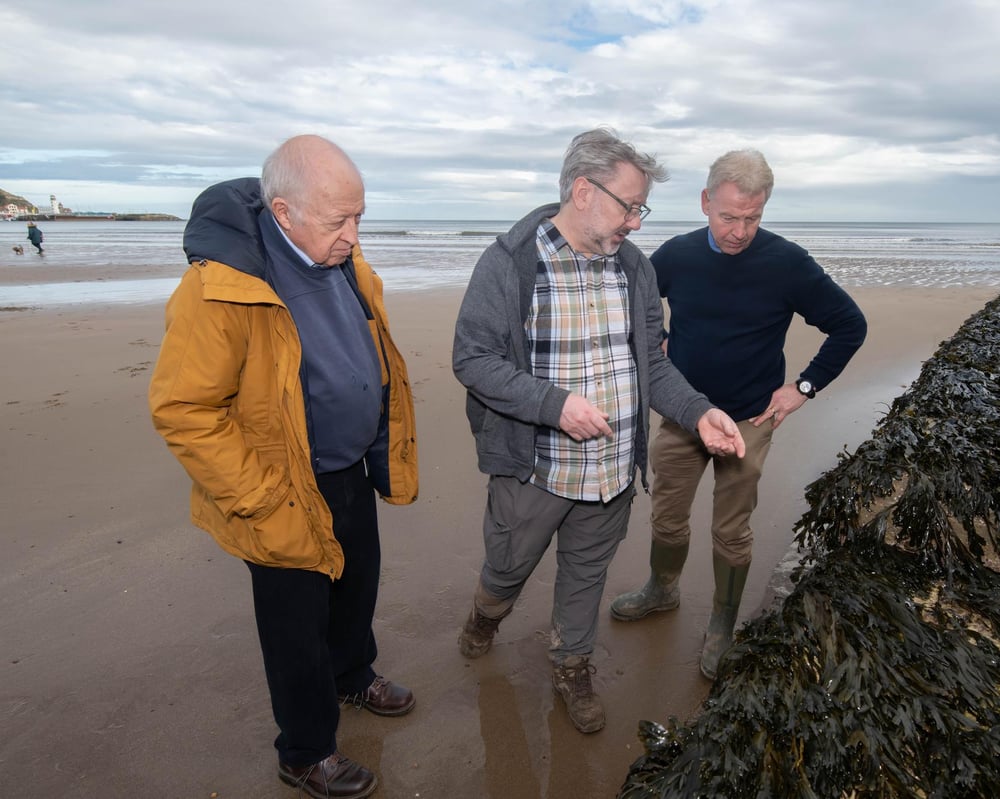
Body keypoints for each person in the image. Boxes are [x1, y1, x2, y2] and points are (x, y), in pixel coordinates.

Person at [148, 134, 419, 799]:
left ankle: (354, 673)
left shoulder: (342, 257)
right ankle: (305, 750)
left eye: (360, 216)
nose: (354, 235)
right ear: (284, 211)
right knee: (296, 627)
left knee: (357, 583)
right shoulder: (220, 287)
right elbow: (184, 407)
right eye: (339, 221)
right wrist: (262, 497)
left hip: (347, 467)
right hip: (278, 486)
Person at [452, 128, 746, 733]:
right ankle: (486, 615)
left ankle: (571, 664)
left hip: (611, 469)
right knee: (507, 566)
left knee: (586, 577)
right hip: (534, 469)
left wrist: (699, 411)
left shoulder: (634, 269)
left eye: (641, 209)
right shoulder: (510, 262)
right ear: (583, 191)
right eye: (629, 205)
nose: (636, 223)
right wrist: (554, 404)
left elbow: (653, 365)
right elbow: (473, 359)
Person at [609, 149, 867, 679]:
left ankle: (722, 624)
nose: (740, 231)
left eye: (753, 217)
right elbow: (637, 305)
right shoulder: (676, 255)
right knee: (667, 514)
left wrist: (804, 387)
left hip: (751, 418)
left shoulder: (788, 263)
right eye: (729, 216)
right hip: (683, 413)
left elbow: (849, 324)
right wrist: (654, 333)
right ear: (705, 202)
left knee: (731, 529)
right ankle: (662, 589)